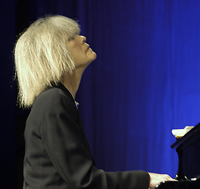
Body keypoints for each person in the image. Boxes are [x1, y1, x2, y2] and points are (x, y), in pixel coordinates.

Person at [14, 15, 175, 189]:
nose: (82, 37)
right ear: (54, 53)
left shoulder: (55, 100)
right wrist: (145, 179)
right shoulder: (54, 101)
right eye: (70, 37)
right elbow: (84, 180)